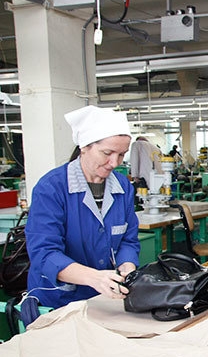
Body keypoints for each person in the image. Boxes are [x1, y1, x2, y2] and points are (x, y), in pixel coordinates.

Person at [25, 105, 140, 309]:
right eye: (107, 153)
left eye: (122, 155)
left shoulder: (122, 187)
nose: (115, 163)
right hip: (58, 300)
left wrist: (127, 266)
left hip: (105, 298)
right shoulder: (51, 188)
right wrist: (93, 277)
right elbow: (45, 254)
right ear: (84, 146)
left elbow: (128, 240)